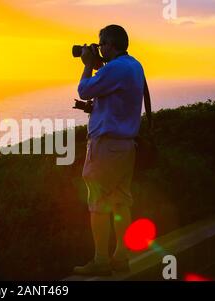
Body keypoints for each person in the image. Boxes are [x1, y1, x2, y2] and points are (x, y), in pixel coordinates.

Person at [73, 25, 145, 276]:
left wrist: (87, 64)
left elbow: (84, 89)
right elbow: (114, 98)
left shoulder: (115, 68)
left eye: (100, 43)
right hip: (126, 146)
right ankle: (121, 257)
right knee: (121, 202)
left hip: (106, 146)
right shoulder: (134, 65)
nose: (98, 47)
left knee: (98, 203)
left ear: (109, 44)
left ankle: (101, 260)